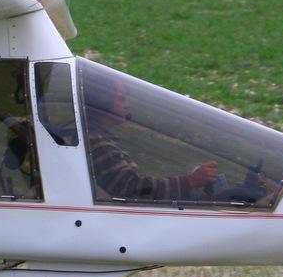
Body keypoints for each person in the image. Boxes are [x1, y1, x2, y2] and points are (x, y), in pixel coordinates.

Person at [85, 76, 219, 202]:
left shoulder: (96, 137)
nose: (127, 105)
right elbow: (133, 190)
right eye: (121, 99)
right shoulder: (98, 144)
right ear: (102, 101)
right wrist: (191, 181)